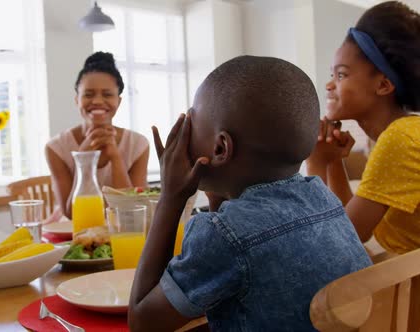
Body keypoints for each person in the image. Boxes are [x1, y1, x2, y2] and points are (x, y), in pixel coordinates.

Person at [128, 56, 372, 331]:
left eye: (191, 123)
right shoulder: (322, 199)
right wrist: (215, 189)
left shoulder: (223, 236)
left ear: (221, 149)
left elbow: (142, 321)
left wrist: (170, 198)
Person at [306, 1, 420, 254]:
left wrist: (314, 163)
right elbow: (351, 221)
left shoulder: (400, 139)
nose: (329, 85)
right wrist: (333, 162)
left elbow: (343, 240)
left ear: (383, 85)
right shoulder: (403, 132)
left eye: (342, 75)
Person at [45, 51, 149, 218]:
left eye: (107, 94)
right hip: (71, 234)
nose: (98, 101)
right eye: (88, 94)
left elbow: (131, 210)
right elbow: (72, 213)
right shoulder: (56, 148)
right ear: (77, 100)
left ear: (119, 101)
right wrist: (84, 159)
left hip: (122, 230)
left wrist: (115, 157)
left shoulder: (138, 145)